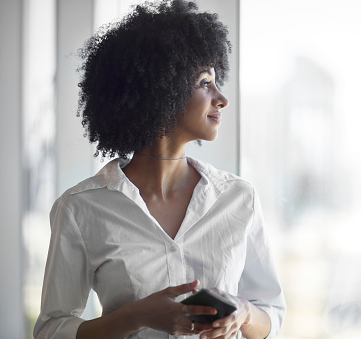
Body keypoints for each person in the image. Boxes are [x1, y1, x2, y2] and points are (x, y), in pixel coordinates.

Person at [33, 1, 286, 338]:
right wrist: (136, 316)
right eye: (204, 83)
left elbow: (271, 316)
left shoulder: (238, 198)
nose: (221, 97)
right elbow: (52, 329)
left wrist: (243, 313)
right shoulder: (81, 208)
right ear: (159, 89)